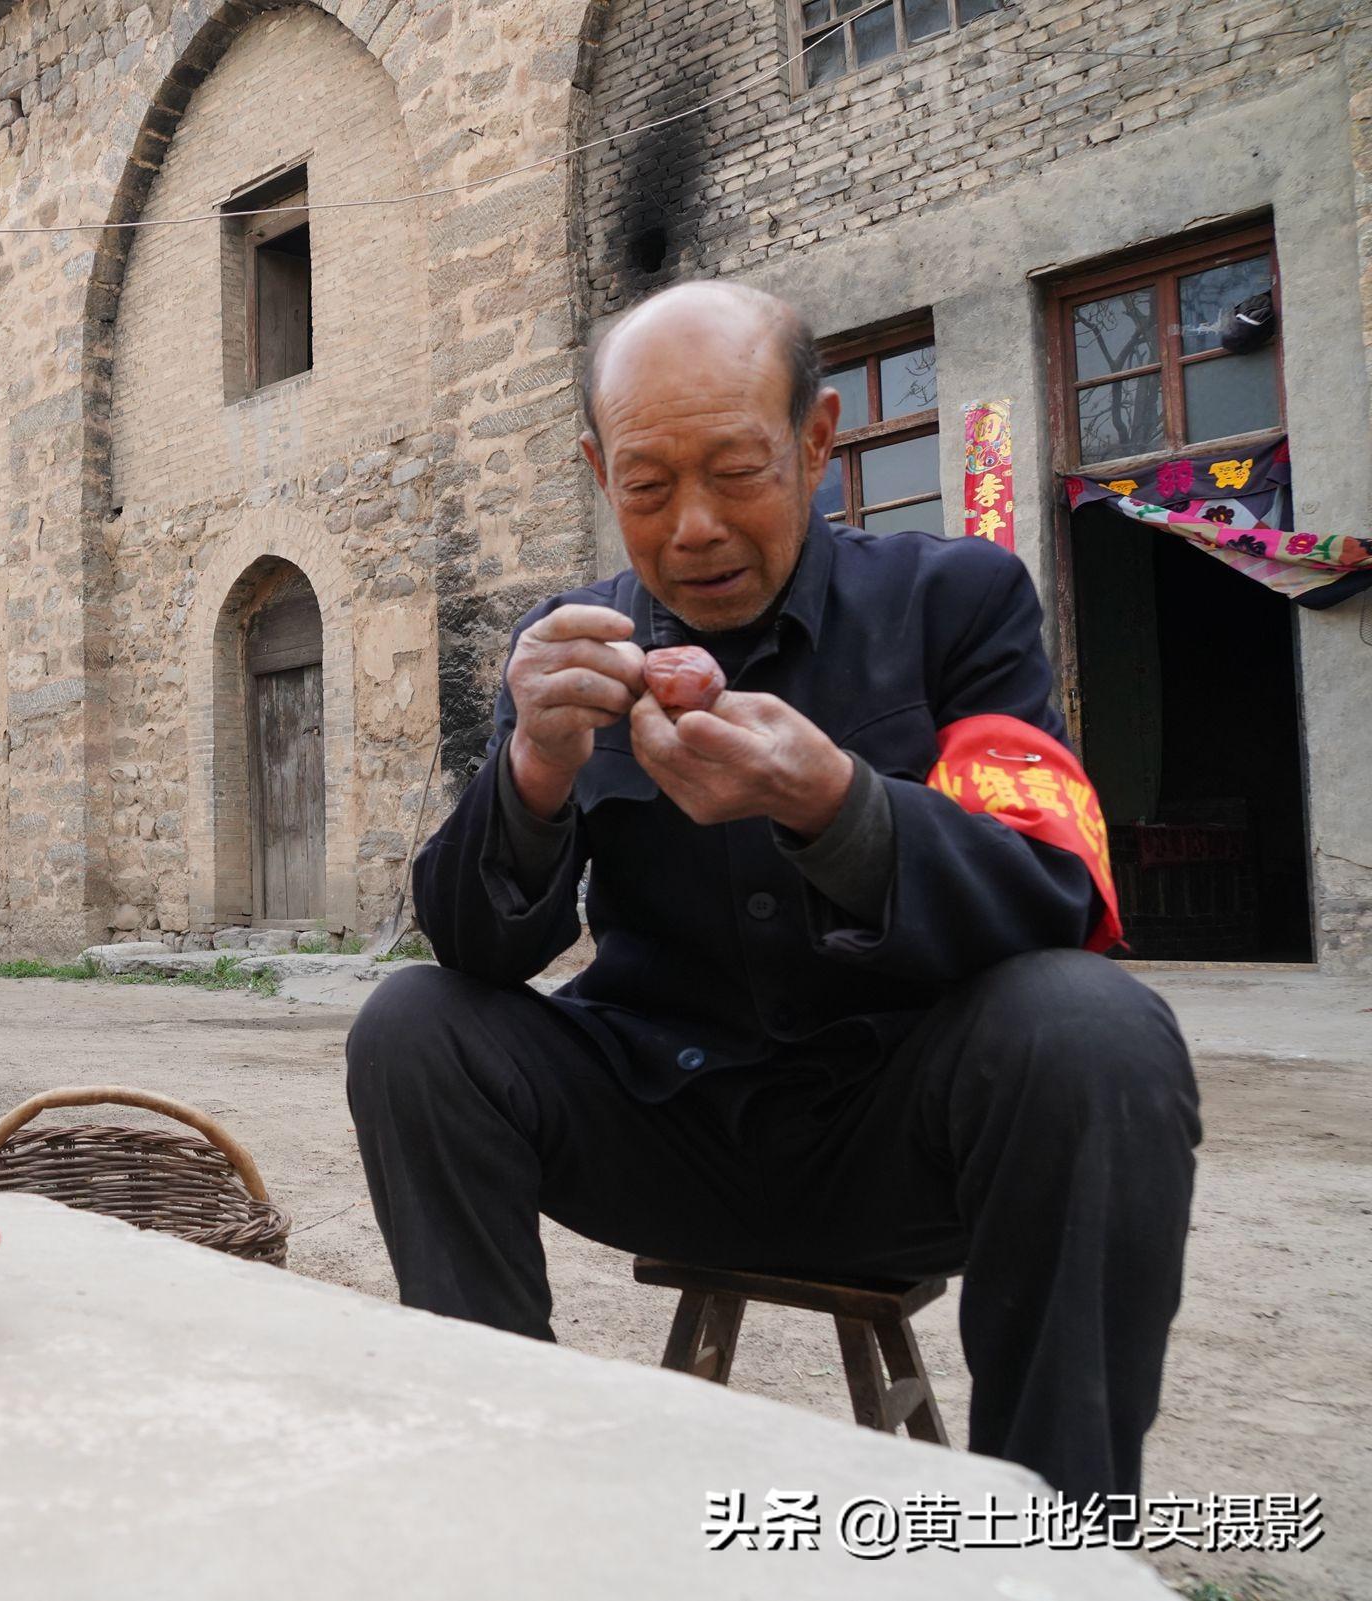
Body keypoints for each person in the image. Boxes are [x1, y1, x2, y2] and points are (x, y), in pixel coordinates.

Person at [348, 281, 1200, 1502]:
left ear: (817, 439)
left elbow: (1055, 895)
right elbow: (480, 949)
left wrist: (838, 804)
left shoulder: (955, 604)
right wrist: (533, 770)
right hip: (661, 1130)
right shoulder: (572, 648)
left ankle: (1055, 1543)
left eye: (738, 470)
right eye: (646, 486)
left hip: (899, 1142)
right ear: (598, 471)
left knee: (1094, 1028)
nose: (692, 527)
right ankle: (508, 1497)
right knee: (414, 1024)